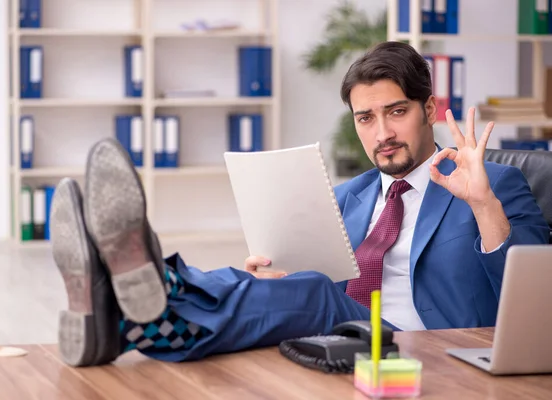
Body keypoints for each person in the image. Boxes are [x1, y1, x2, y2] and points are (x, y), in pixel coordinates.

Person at [50, 41, 549, 368]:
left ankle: (141, 294)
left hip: (437, 351)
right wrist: (271, 283)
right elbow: (318, 290)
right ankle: (121, 319)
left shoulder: (494, 183)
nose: (383, 134)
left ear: (428, 109)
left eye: (396, 112)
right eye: (366, 118)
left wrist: (483, 206)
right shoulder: (346, 197)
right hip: (351, 342)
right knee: (270, 282)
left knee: (313, 293)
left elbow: (535, 309)